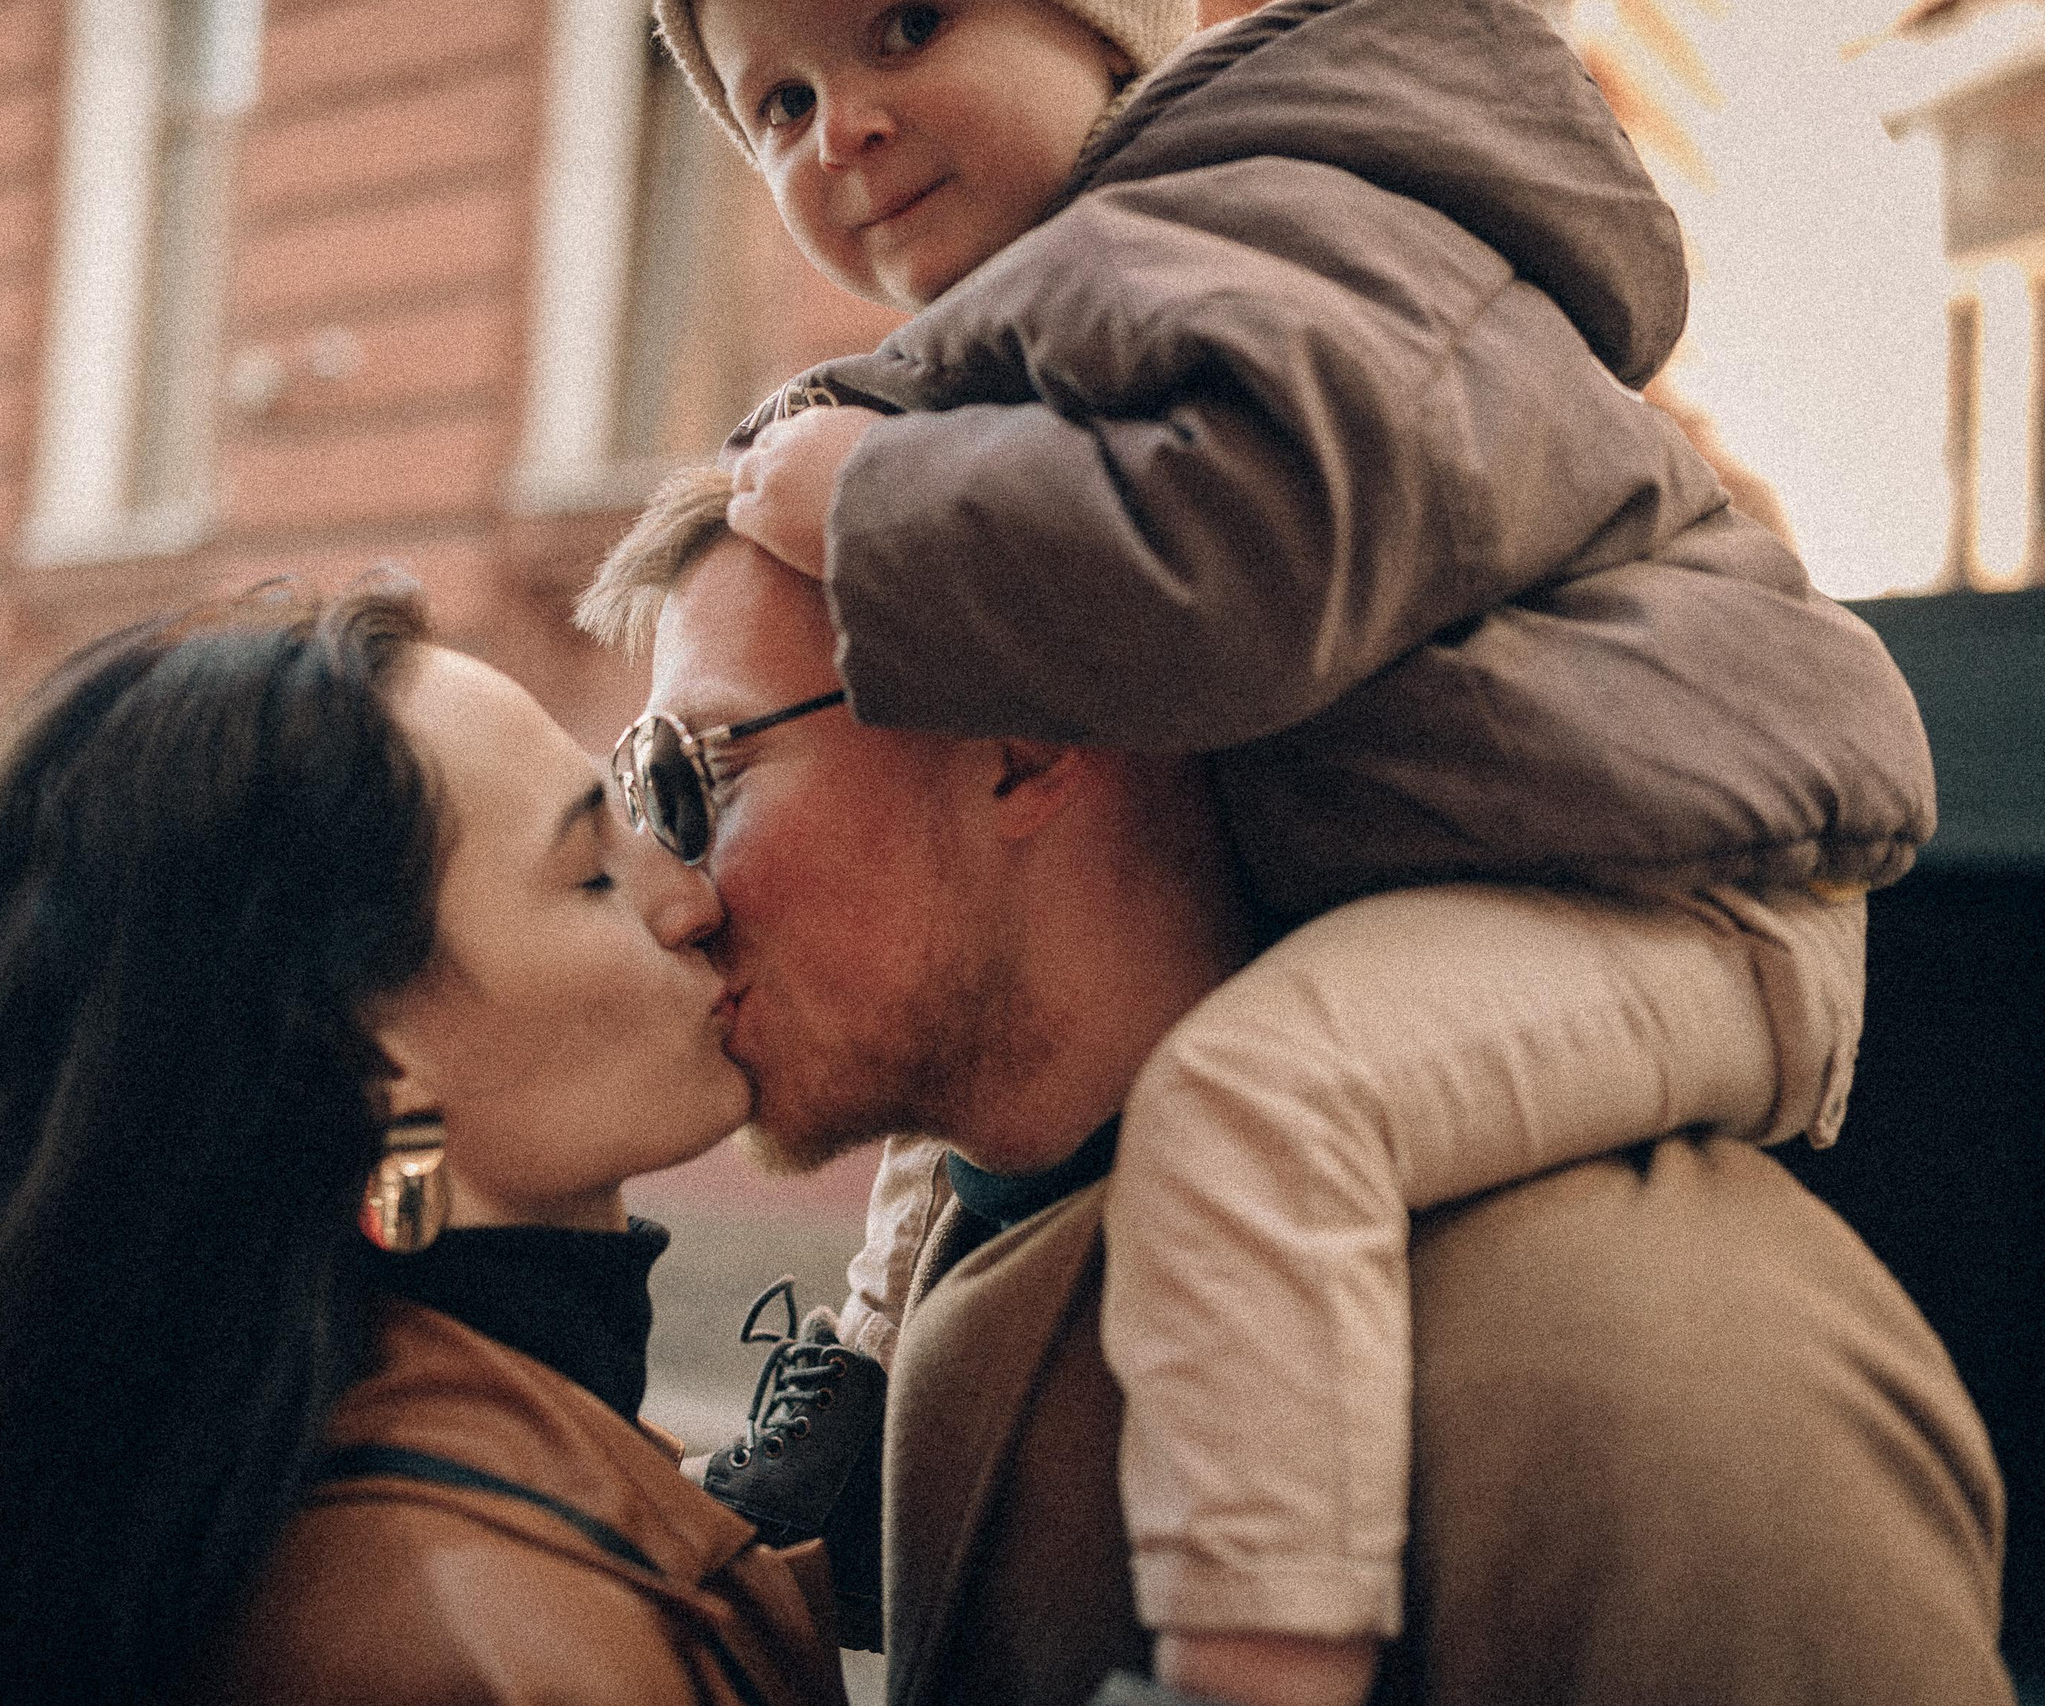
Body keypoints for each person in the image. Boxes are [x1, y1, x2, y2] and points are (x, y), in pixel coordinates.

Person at [625, 0, 1940, 1699]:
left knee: (1255, 1108)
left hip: (1680, 879)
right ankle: (849, 1405)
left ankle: (1253, 1655)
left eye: (906, 25)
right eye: (780, 104)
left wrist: (887, 510)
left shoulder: (1268, 223)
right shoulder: (1078, 324)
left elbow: (1260, 552)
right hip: (1527, 847)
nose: (840, 130)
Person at [577, 476, 2015, 1706]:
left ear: (1018, 735)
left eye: (695, 779)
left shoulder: (1650, 1383)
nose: (668, 898)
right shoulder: (984, 1238)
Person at [0, 586, 847, 1706]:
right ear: (371, 1056)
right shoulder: (471, 1638)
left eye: (635, 813)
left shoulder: (427, 1450)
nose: (693, 898)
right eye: (591, 874)